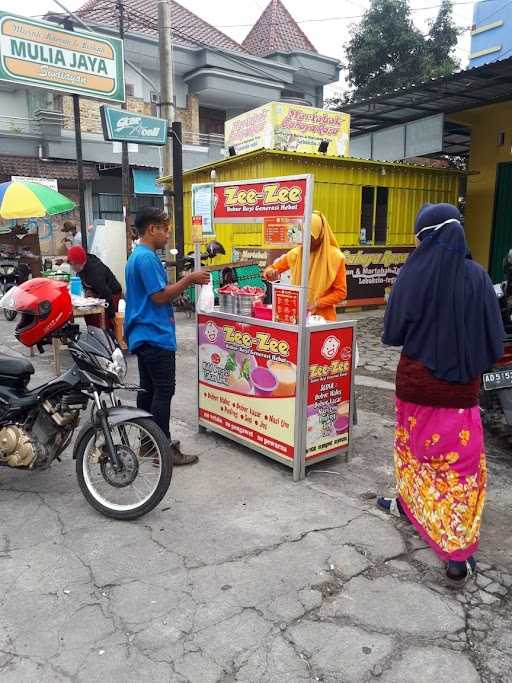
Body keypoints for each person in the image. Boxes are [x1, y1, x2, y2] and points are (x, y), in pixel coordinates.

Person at [378, 203, 504, 586]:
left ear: (426, 236)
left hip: (415, 387)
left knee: (414, 454)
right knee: (459, 469)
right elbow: (494, 341)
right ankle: (456, 555)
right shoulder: (478, 277)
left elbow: (392, 332)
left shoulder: (412, 276)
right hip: (460, 394)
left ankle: (407, 503)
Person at [125, 207, 210, 466]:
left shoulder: (136, 256)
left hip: (143, 334)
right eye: (164, 229)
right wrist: (189, 279)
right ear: (152, 229)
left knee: (148, 391)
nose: (167, 235)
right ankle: (162, 449)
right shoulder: (147, 258)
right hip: (154, 334)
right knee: (163, 391)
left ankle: (148, 444)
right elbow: (159, 296)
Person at [263, 211, 347, 320]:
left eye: (310, 237)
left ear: (320, 235)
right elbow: (272, 269)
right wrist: (271, 274)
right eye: (302, 237)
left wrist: (317, 303)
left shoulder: (336, 257)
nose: (305, 242)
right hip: (297, 316)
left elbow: (341, 292)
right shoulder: (296, 253)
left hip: (323, 320)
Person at [67, 245, 123, 330]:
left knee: (103, 323)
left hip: (112, 294)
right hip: (99, 293)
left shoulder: (94, 272)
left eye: (74, 264)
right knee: (89, 317)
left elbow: (107, 294)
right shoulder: (81, 267)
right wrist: (89, 290)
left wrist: (112, 316)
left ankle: (107, 338)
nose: (73, 267)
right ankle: (92, 334)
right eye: (71, 264)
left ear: (81, 262)